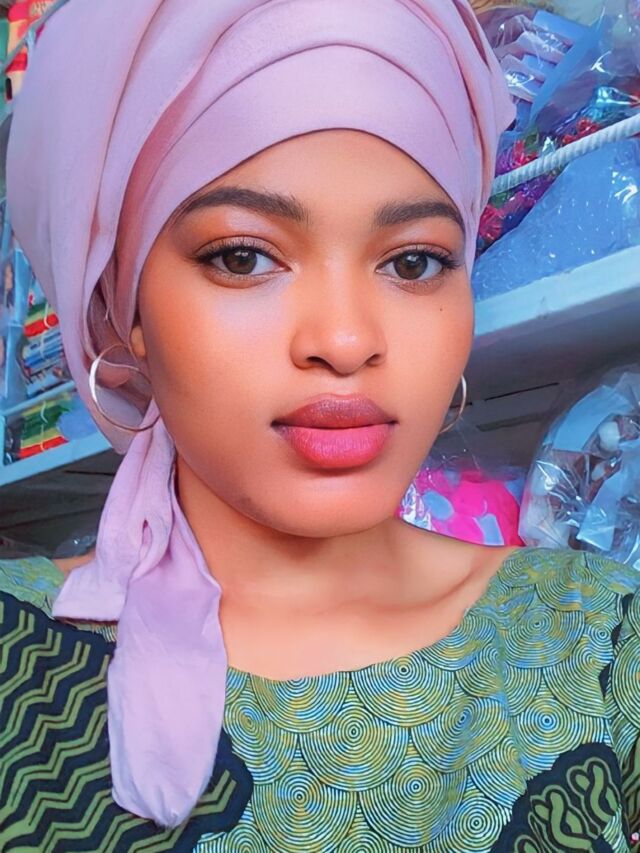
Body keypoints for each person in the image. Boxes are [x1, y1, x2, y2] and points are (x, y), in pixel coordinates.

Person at [1, 0, 640, 850]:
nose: (344, 339)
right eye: (243, 256)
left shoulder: (601, 642)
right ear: (125, 309)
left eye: (413, 261)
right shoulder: (15, 653)